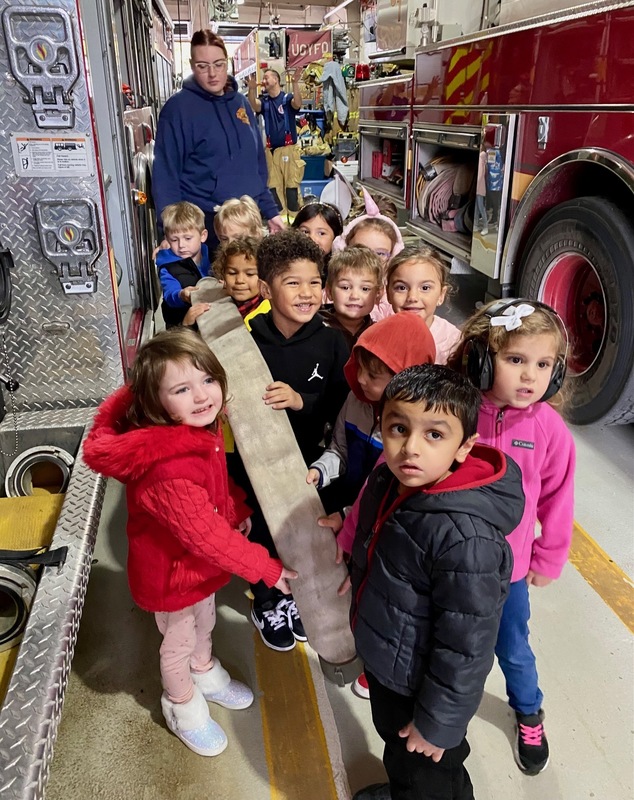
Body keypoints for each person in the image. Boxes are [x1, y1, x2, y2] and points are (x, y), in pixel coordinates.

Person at [82, 329, 297, 757]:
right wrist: (266, 568)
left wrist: (237, 508)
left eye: (208, 380)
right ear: (153, 401)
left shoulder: (193, 428)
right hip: (171, 577)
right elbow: (206, 535)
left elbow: (215, 485)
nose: (202, 396)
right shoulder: (167, 467)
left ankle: (205, 670)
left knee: (205, 622)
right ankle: (181, 704)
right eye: (182, 388)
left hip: (192, 569)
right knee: (178, 641)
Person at [349, 364, 523, 800]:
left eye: (434, 434)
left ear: (465, 446)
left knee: (430, 774)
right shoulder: (393, 480)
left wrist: (439, 723)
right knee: (400, 752)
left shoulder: (467, 539)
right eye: (398, 427)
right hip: (394, 663)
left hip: (422, 687)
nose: (410, 447)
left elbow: (467, 648)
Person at [450, 299, 575, 777]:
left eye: (543, 365)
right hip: (453, 561)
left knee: (514, 649)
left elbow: (559, 497)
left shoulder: (549, 428)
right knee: (452, 642)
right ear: (482, 359)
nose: (530, 377)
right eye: (516, 360)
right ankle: (447, 711)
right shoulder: (458, 411)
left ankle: (529, 713)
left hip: (512, 572)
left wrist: (548, 557)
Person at [242, 230, 350, 650]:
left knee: (302, 531)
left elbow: (342, 406)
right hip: (258, 467)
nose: (307, 293)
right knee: (264, 534)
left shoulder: (331, 340)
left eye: (314, 282)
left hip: (308, 463)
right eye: (293, 283)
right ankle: (267, 600)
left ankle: (297, 598)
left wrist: (301, 400)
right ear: (266, 289)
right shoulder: (248, 343)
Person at [152, 30, 284, 246]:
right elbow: (166, 175)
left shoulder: (241, 103)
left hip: (247, 223)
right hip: (207, 228)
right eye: (203, 66)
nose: (212, 73)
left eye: (219, 64)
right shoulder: (178, 109)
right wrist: (170, 232)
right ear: (192, 65)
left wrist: (271, 211)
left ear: (227, 63)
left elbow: (256, 165)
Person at [307, 313, 436, 507]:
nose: (360, 379)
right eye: (359, 368)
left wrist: (349, 516)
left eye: (373, 375)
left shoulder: (415, 429)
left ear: (404, 381)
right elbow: (340, 450)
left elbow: (395, 494)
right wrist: (321, 471)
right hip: (344, 503)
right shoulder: (355, 399)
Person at [385, 243, 461, 364]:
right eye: (401, 287)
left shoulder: (453, 344)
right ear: (388, 293)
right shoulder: (381, 335)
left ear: (441, 295)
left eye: (425, 288)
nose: (412, 297)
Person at [248, 68, 305, 218]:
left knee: (291, 189)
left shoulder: (287, 99)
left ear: (276, 80)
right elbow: (253, 104)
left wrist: (295, 83)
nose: (264, 81)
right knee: (273, 189)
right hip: (271, 153)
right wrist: (251, 89)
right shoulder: (265, 103)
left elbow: (298, 103)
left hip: (289, 150)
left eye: (267, 78)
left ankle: (295, 225)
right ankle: (281, 227)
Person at [156, 201, 212, 329]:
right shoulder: (168, 267)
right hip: (182, 327)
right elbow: (170, 293)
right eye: (174, 240)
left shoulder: (212, 255)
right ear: (167, 238)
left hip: (211, 321)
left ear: (202, 236)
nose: (181, 245)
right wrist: (181, 294)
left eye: (188, 238)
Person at [319, 246, 383, 349]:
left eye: (365, 289)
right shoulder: (316, 327)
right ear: (329, 292)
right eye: (345, 287)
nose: (354, 296)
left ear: (377, 294)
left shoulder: (378, 333)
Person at [212, 236, 270, 330]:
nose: (239, 280)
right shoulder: (216, 304)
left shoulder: (268, 315)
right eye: (232, 273)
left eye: (250, 274)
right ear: (223, 274)